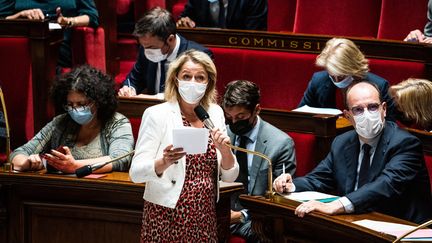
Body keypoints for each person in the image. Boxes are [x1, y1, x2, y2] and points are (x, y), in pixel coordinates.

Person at [274, 81, 432, 224]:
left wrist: (338, 205)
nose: (367, 114)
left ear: (384, 109)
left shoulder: (405, 143)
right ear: (347, 116)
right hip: (356, 222)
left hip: (400, 226)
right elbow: (320, 178)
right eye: (358, 110)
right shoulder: (342, 142)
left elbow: (386, 184)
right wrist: (291, 185)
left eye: (372, 107)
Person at [129, 50, 239, 242]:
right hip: (166, 214)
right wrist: (163, 162)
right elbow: (136, 173)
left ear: (208, 83)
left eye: (200, 77)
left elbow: (230, 175)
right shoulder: (157, 114)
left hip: (204, 215)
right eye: (186, 76)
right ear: (176, 80)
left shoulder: (215, 113)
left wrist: (225, 150)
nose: (193, 82)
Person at [11, 65, 134, 173]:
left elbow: (121, 159)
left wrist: (75, 166)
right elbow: (18, 153)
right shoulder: (61, 122)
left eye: (81, 104)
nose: (75, 109)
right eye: (70, 104)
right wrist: (26, 162)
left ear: (98, 101)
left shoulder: (117, 122)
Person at [222, 80, 296, 242]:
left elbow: (279, 196)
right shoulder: (224, 134)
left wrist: (242, 215)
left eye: (240, 117)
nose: (234, 123)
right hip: (221, 213)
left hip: (255, 218)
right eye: (229, 117)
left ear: (257, 110)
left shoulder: (280, 144)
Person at [117, 7, 213, 97]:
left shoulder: (200, 56)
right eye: (144, 46)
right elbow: (134, 78)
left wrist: (156, 98)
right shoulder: (146, 48)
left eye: (151, 47)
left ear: (170, 39)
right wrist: (129, 88)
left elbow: (194, 94)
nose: (147, 51)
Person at [298, 38, 395, 120]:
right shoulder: (319, 80)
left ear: (354, 69)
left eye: (341, 76)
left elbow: (390, 125)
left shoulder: (380, 86)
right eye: (332, 75)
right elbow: (300, 115)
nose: (336, 81)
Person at [0, 0, 99, 71]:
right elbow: (2, 19)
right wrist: (19, 16)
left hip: (60, 47)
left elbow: (92, 16)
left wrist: (69, 21)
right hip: (23, 49)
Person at [176, 0, 267, 30]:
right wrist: (184, 22)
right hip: (203, 53)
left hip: (239, 52)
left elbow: (254, 35)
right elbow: (186, 17)